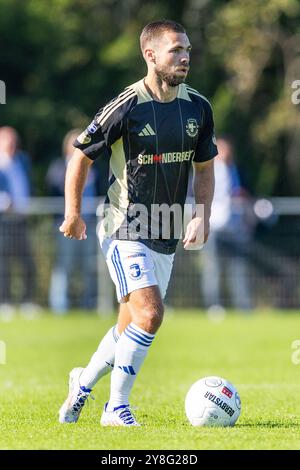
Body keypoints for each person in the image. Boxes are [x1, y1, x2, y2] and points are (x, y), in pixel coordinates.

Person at [58, 19, 217, 426]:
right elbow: (81, 157)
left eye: (188, 51)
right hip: (123, 226)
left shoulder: (198, 106)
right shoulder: (127, 105)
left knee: (128, 326)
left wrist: (201, 214)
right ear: (150, 55)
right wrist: (73, 213)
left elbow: (204, 167)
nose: (184, 58)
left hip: (166, 230)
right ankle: (116, 408)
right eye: (175, 51)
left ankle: (82, 383)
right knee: (150, 315)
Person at [46, 129, 99, 313]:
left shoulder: (94, 168)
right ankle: (60, 306)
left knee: (89, 266)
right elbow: (53, 193)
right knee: (64, 266)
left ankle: (89, 305)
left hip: (91, 224)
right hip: (66, 225)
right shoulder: (58, 168)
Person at [200, 137, 254, 311]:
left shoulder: (236, 170)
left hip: (234, 226)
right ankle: (213, 305)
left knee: (237, 268)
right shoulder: (206, 171)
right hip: (213, 225)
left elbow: (245, 193)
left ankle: (243, 305)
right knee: (212, 268)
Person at [0, 126, 37, 315]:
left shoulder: (22, 160)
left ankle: (27, 302)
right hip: (3, 222)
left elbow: (28, 184)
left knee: (27, 263)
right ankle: (4, 302)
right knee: (3, 264)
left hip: (22, 220)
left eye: (14, 141)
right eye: (7, 141)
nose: (12, 145)